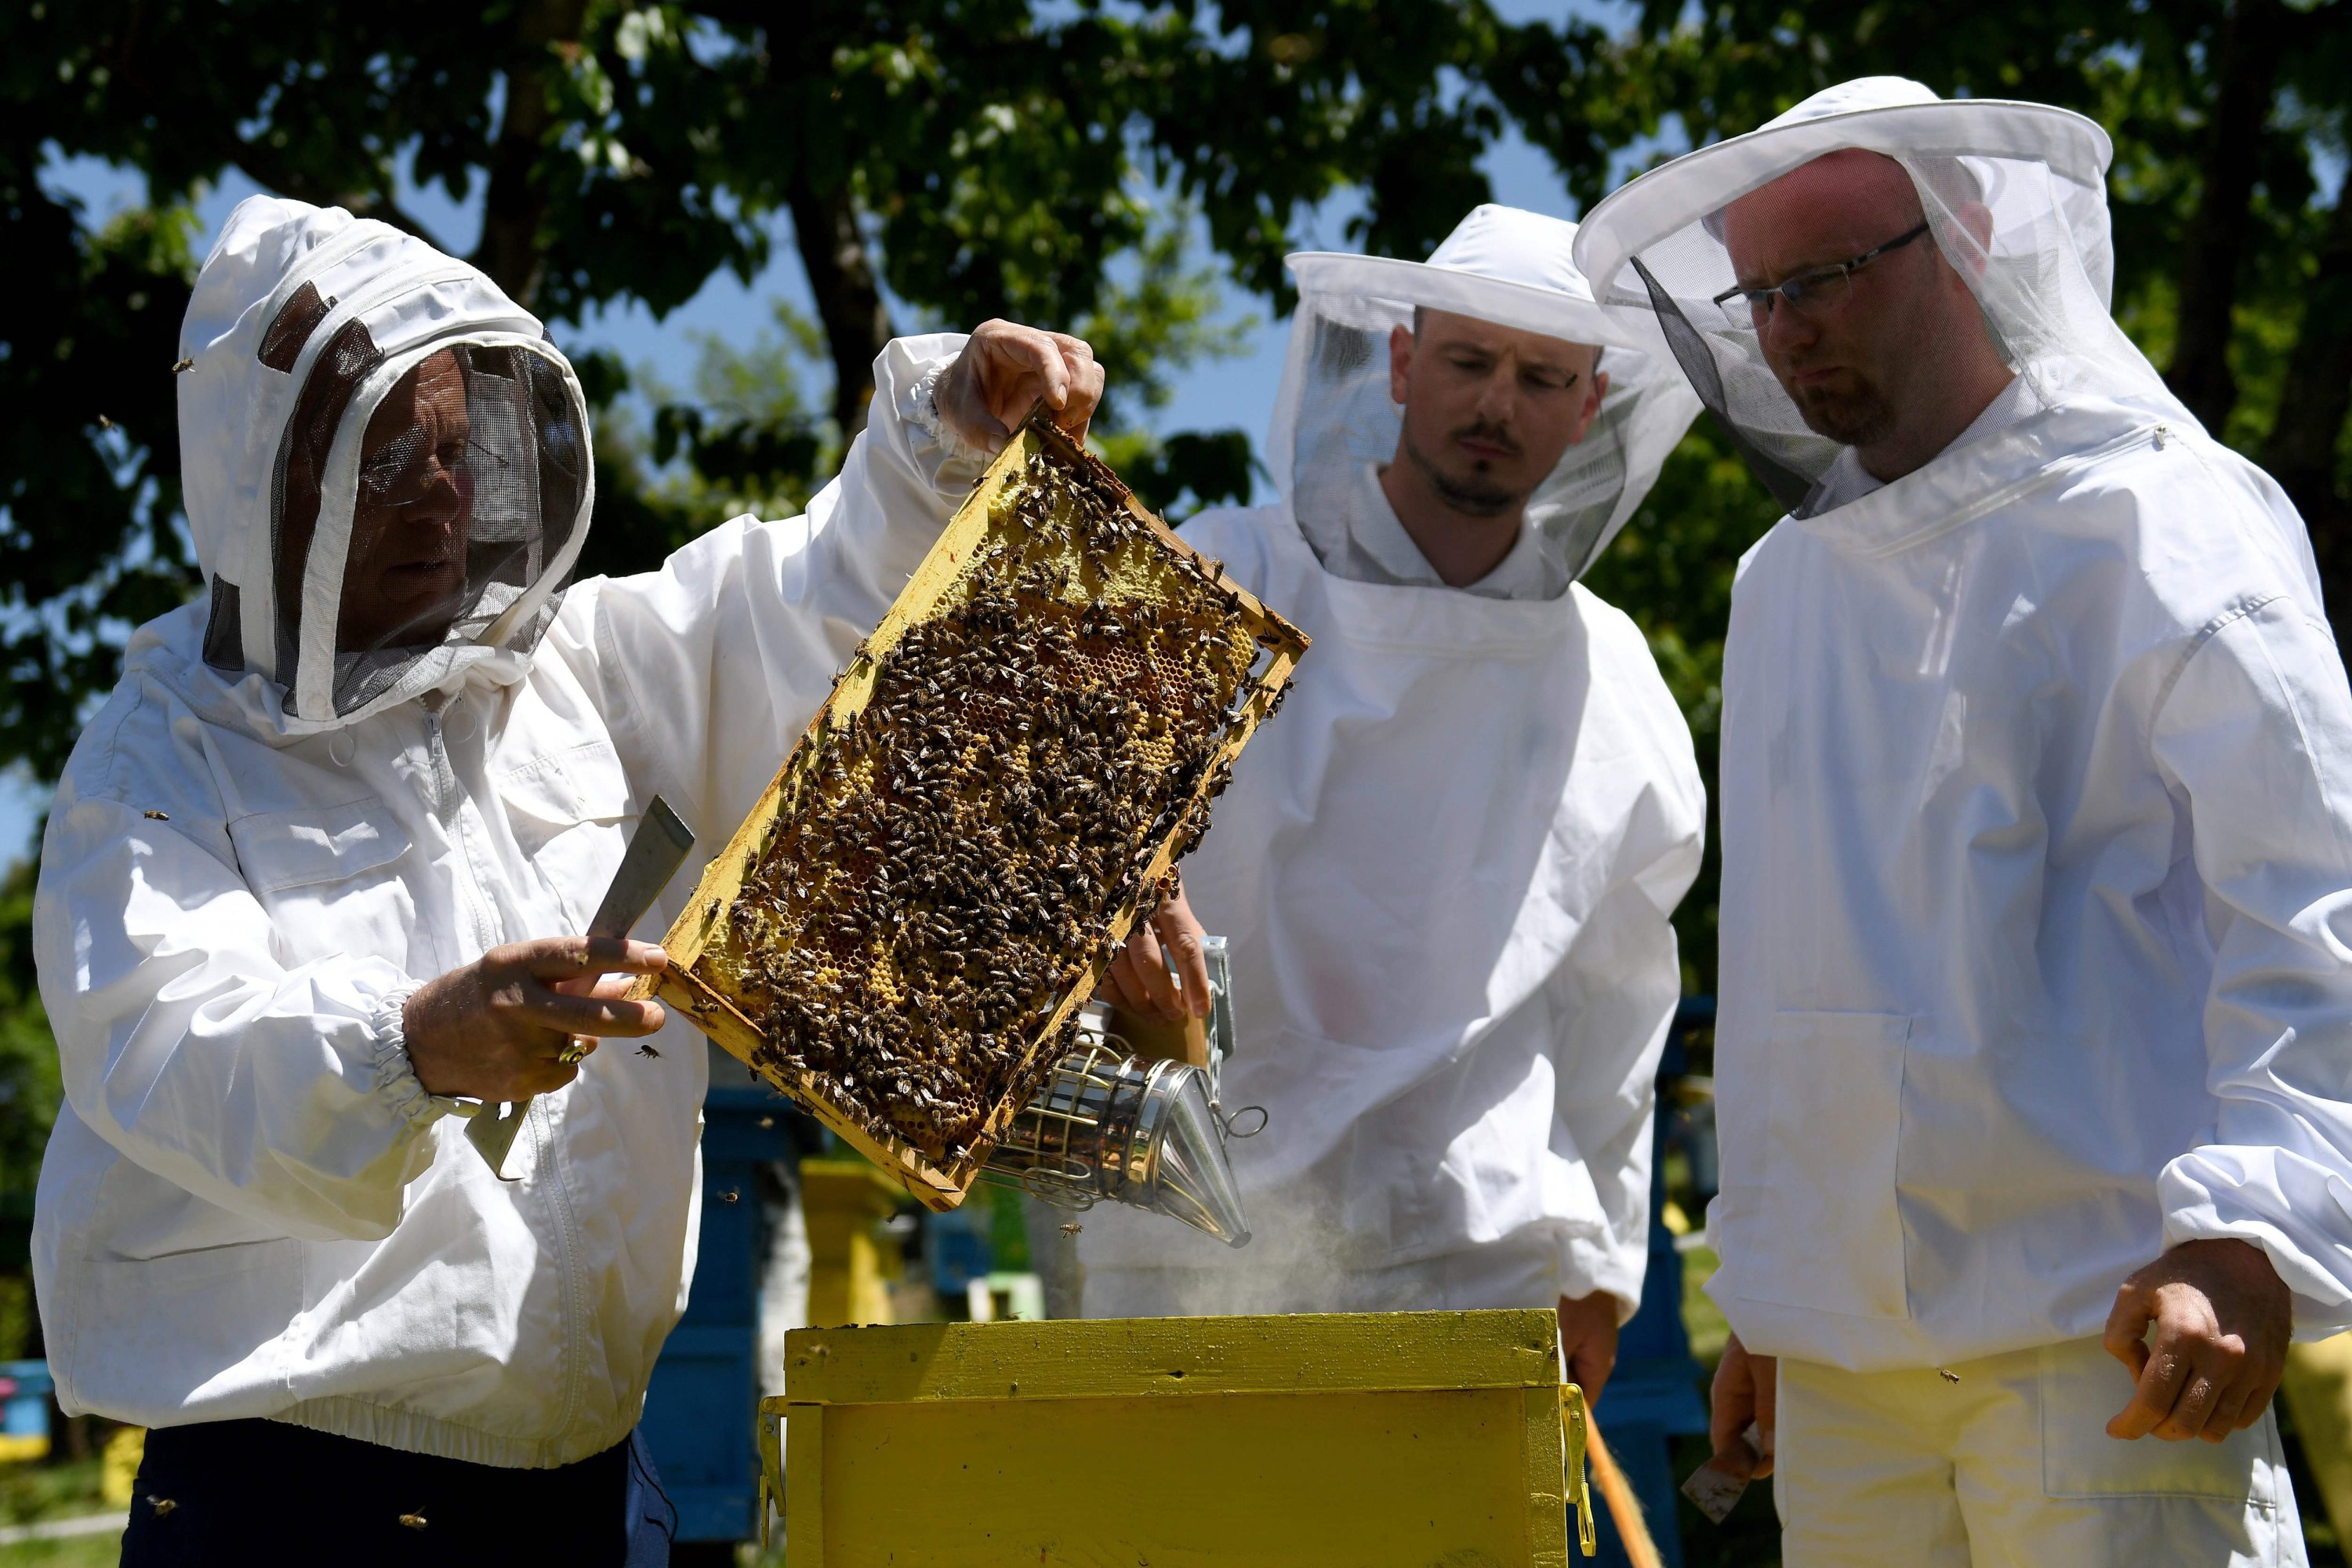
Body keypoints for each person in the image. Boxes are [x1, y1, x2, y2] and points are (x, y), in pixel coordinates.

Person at [31, 195, 1160, 1564]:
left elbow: (801, 609)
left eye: (461, 452)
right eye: (389, 458)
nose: (442, 497)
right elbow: (164, 1043)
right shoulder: (158, 757)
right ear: (261, 471)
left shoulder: (574, 674)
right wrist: (415, 1048)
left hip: (593, 1486)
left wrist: (945, 441)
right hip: (296, 1500)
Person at [1572, 76, 2352, 1564]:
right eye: (1759, 294)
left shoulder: (2160, 517)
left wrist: (2254, 1239)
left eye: (1822, 279)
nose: (1784, 328)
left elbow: (2315, 904)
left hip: (2113, 1341)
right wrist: (1786, 1305)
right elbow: (1804, 986)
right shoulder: (1779, 588)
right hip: (1851, 1393)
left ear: (1967, 232)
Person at [1079, 204, 1707, 1404]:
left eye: (1540, 378)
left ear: (1590, 406)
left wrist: (1599, 1260)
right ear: (1403, 363)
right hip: (1187, 1231)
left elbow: (1618, 998)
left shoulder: (1612, 671)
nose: (1496, 406)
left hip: (1478, 1253)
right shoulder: (1224, 579)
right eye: (1469, 363)